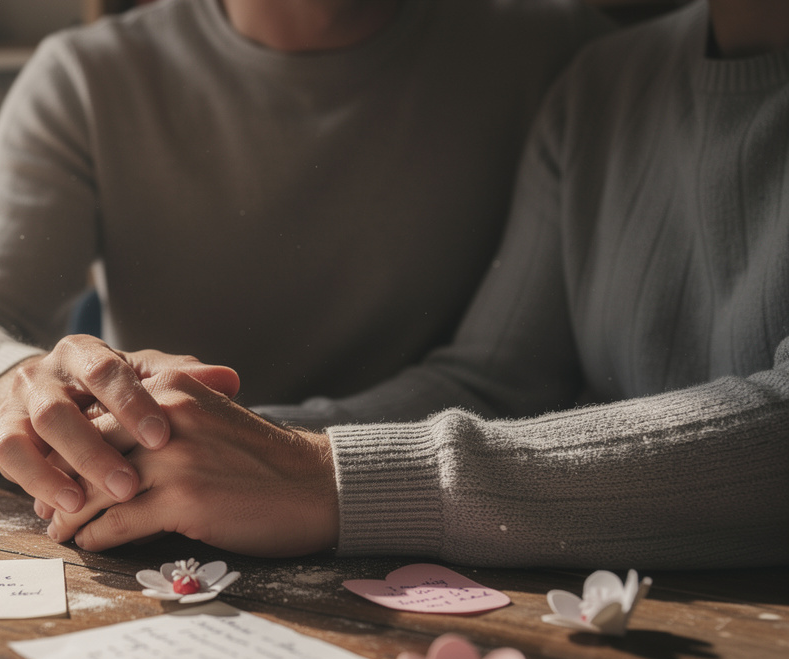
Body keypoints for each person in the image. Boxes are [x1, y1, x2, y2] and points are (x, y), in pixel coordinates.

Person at [48, 0, 789, 570]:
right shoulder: (603, 80)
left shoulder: (554, 48)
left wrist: (328, 477)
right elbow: (499, 376)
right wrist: (184, 439)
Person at [0, 0, 610, 522]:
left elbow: (507, 374)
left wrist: (271, 454)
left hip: (436, 519)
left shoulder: (564, 53)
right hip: (158, 517)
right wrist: (7, 388)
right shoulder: (87, 76)